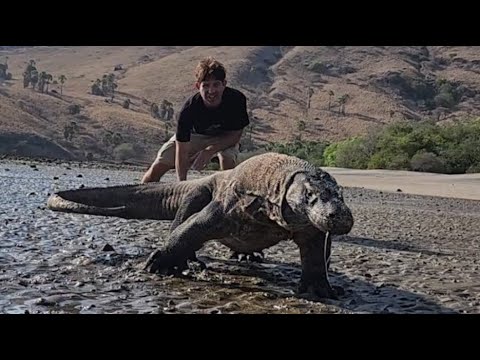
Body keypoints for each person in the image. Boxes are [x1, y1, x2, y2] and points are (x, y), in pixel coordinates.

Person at [141, 57, 250, 183]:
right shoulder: (189, 109)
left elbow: (235, 136)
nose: (211, 91)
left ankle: (228, 195)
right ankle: (138, 196)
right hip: (195, 136)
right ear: (198, 86)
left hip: (224, 137)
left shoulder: (236, 100)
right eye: (206, 85)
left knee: (228, 159)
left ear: (224, 84)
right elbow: (181, 151)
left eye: (216, 85)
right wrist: (182, 183)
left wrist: (209, 151)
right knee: (160, 163)